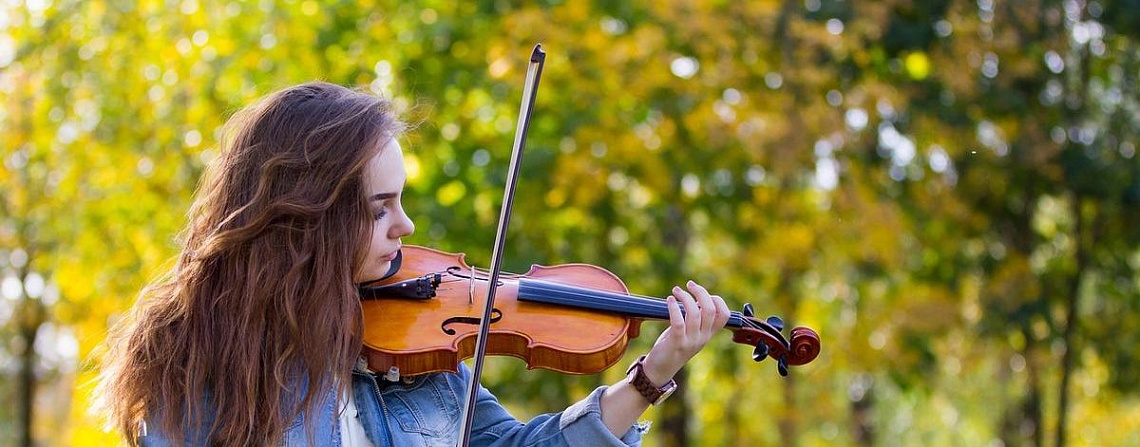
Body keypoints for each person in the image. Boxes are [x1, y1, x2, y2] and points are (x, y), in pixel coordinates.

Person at [96, 81, 731, 446]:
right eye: (379, 209)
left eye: (401, 201)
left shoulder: (417, 351)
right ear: (310, 218)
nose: (406, 228)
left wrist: (653, 373)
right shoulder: (203, 366)